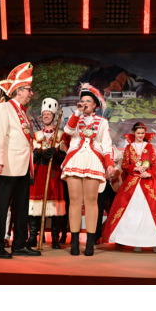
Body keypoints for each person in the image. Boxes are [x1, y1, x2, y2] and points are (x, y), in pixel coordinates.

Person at [0, 62, 41, 259]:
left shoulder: (23, 113)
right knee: (2, 207)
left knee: (22, 207)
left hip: (24, 165)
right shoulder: (4, 108)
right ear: (18, 90)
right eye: (28, 90)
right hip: (9, 164)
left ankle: (19, 244)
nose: (31, 94)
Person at [61, 83, 115, 256]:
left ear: (94, 105)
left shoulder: (102, 122)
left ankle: (90, 241)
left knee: (91, 201)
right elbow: (68, 130)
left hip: (93, 160)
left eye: (87, 101)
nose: (84, 103)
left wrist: (109, 164)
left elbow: (107, 145)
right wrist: (77, 112)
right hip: (75, 159)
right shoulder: (75, 118)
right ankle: (74, 242)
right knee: (75, 201)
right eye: (82, 101)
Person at [102, 122, 156, 252]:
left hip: (148, 183)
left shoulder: (149, 147)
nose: (140, 135)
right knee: (132, 212)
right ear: (133, 133)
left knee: (150, 213)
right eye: (138, 133)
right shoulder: (129, 148)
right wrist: (134, 167)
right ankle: (135, 242)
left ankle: (154, 242)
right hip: (132, 183)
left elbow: (155, 165)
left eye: (142, 133)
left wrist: (149, 173)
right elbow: (124, 165)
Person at [28, 98, 67, 249]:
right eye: (44, 114)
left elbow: (66, 157)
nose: (45, 116)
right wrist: (37, 154)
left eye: (48, 114)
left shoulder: (61, 135)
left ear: (54, 117)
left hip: (54, 174)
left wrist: (57, 155)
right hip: (39, 173)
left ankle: (55, 238)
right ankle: (33, 237)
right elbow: (30, 155)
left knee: (55, 206)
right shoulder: (36, 135)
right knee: (34, 206)